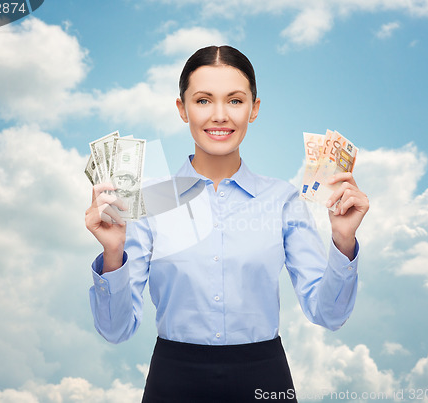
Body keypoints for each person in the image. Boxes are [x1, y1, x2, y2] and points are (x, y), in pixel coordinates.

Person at [85, 45, 369, 403]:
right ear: (182, 109)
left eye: (235, 101)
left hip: (264, 378)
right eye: (203, 100)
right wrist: (113, 254)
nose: (220, 115)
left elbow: (329, 314)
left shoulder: (282, 200)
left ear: (254, 109)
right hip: (173, 381)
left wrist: (343, 241)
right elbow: (116, 330)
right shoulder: (148, 204)